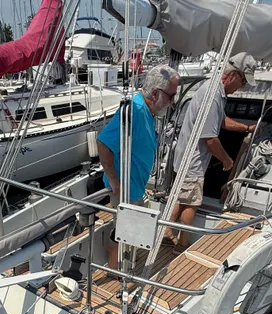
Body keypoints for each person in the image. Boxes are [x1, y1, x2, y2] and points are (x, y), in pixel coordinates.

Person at [164, 52, 258, 252]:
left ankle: (166, 234)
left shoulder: (213, 89)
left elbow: (221, 121)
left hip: (183, 157)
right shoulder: (213, 95)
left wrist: (245, 128)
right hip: (194, 161)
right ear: (233, 76)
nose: (241, 88)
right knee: (191, 203)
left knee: (179, 197)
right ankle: (181, 244)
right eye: (242, 83)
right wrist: (227, 161)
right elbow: (210, 139)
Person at [97, 64, 180, 269]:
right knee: (122, 230)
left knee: (126, 229)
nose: (172, 101)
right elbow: (104, 143)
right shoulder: (135, 109)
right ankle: (115, 271)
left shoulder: (146, 111)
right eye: (171, 96)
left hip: (134, 186)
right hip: (126, 187)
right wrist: (115, 181)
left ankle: (121, 267)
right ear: (155, 92)